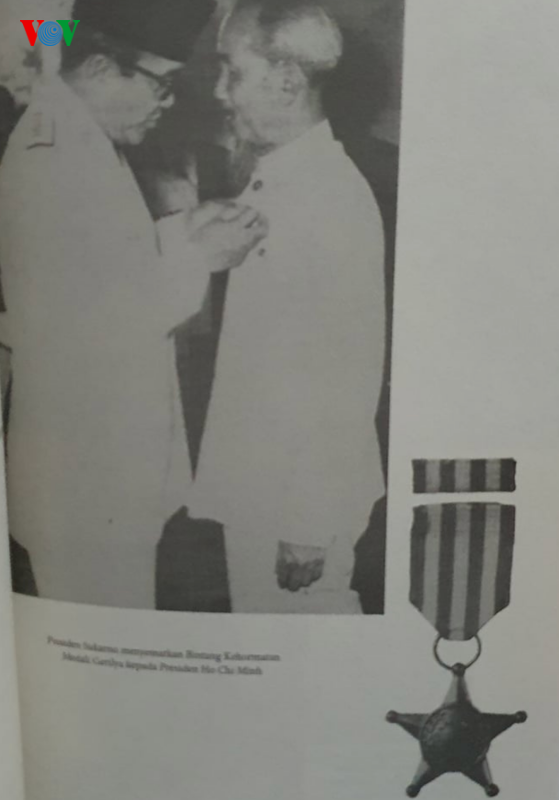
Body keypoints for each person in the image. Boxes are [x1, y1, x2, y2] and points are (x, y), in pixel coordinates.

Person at [0, 0, 267, 609]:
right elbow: (80, 327)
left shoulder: (77, 137)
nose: (167, 102)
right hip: (87, 471)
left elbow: (98, 266)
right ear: (99, 69)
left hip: (101, 457)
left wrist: (184, 230)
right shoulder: (53, 161)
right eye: (161, 84)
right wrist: (200, 259)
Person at [187, 0, 386, 614]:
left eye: (233, 72)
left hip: (293, 508)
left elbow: (346, 372)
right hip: (262, 488)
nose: (220, 91)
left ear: (287, 80)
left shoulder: (329, 197)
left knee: (310, 652)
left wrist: (309, 519)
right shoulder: (281, 179)